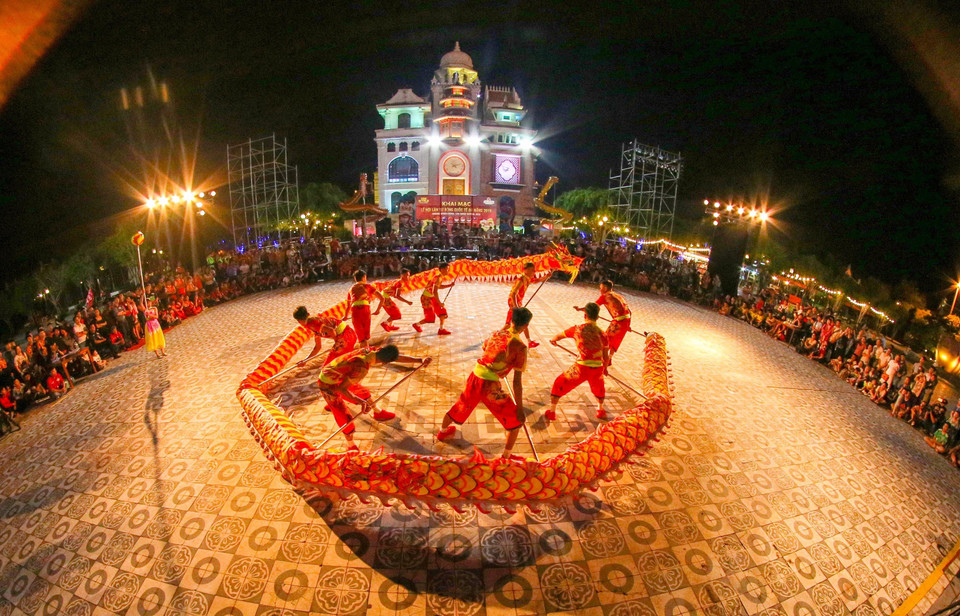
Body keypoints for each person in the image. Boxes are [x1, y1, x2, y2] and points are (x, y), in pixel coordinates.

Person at [437, 307, 532, 459]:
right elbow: (517, 383)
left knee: (460, 405)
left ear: (511, 320)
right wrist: (520, 408)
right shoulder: (520, 347)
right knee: (516, 421)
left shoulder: (496, 333)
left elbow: (486, 349)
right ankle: (506, 456)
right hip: (489, 385)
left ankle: (442, 432)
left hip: (475, 376)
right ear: (526, 326)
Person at [316, 344, 427, 450]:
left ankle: (377, 412)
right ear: (384, 363)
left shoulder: (370, 350)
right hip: (328, 382)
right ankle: (350, 445)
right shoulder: (361, 368)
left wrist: (419, 360)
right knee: (344, 415)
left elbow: (395, 357)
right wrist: (361, 402)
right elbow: (342, 389)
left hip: (339, 373)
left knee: (363, 392)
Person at [546, 302, 610, 420]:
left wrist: (554, 340)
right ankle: (600, 410)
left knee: (559, 383)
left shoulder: (577, 329)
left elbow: (559, 336)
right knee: (599, 388)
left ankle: (552, 412)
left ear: (585, 315)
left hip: (580, 368)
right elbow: (606, 357)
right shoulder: (603, 334)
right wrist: (605, 368)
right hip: (597, 369)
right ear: (597, 317)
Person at [580, 279, 632, 362]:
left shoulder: (605, 296)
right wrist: (628, 325)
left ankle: (601, 358)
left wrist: (580, 309)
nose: (600, 290)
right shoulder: (618, 295)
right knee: (616, 340)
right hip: (627, 320)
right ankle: (609, 358)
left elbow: (593, 307)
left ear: (605, 288)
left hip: (619, 322)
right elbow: (629, 311)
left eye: (601, 288)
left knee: (606, 339)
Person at [293, 306, 358, 365]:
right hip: (350, 335)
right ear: (308, 314)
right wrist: (305, 361)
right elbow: (317, 347)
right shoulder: (313, 324)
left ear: (298, 321)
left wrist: (336, 345)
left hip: (347, 336)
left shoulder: (312, 324)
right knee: (334, 364)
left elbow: (331, 331)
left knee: (329, 365)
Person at [413, 262, 455, 336]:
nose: (448, 271)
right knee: (430, 318)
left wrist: (449, 285)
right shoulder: (438, 278)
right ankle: (417, 325)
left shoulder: (440, 277)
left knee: (442, 312)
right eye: (447, 269)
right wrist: (439, 302)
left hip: (431, 297)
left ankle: (441, 329)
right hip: (426, 298)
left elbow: (438, 287)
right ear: (442, 269)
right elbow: (435, 291)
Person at [505, 262, 539, 347]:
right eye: (532, 270)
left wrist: (547, 276)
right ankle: (495, 338)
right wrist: (516, 307)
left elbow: (536, 280)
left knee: (523, 320)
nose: (533, 272)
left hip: (518, 301)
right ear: (526, 270)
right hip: (513, 301)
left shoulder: (527, 278)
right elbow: (513, 294)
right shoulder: (521, 279)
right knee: (508, 324)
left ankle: (529, 341)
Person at [347, 269, 383, 345]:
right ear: (364, 277)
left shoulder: (351, 289)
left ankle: (364, 350)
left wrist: (345, 316)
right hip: (365, 310)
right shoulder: (368, 286)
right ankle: (365, 351)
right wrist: (378, 310)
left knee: (360, 336)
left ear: (355, 279)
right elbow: (382, 298)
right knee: (365, 335)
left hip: (355, 311)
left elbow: (348, 305)